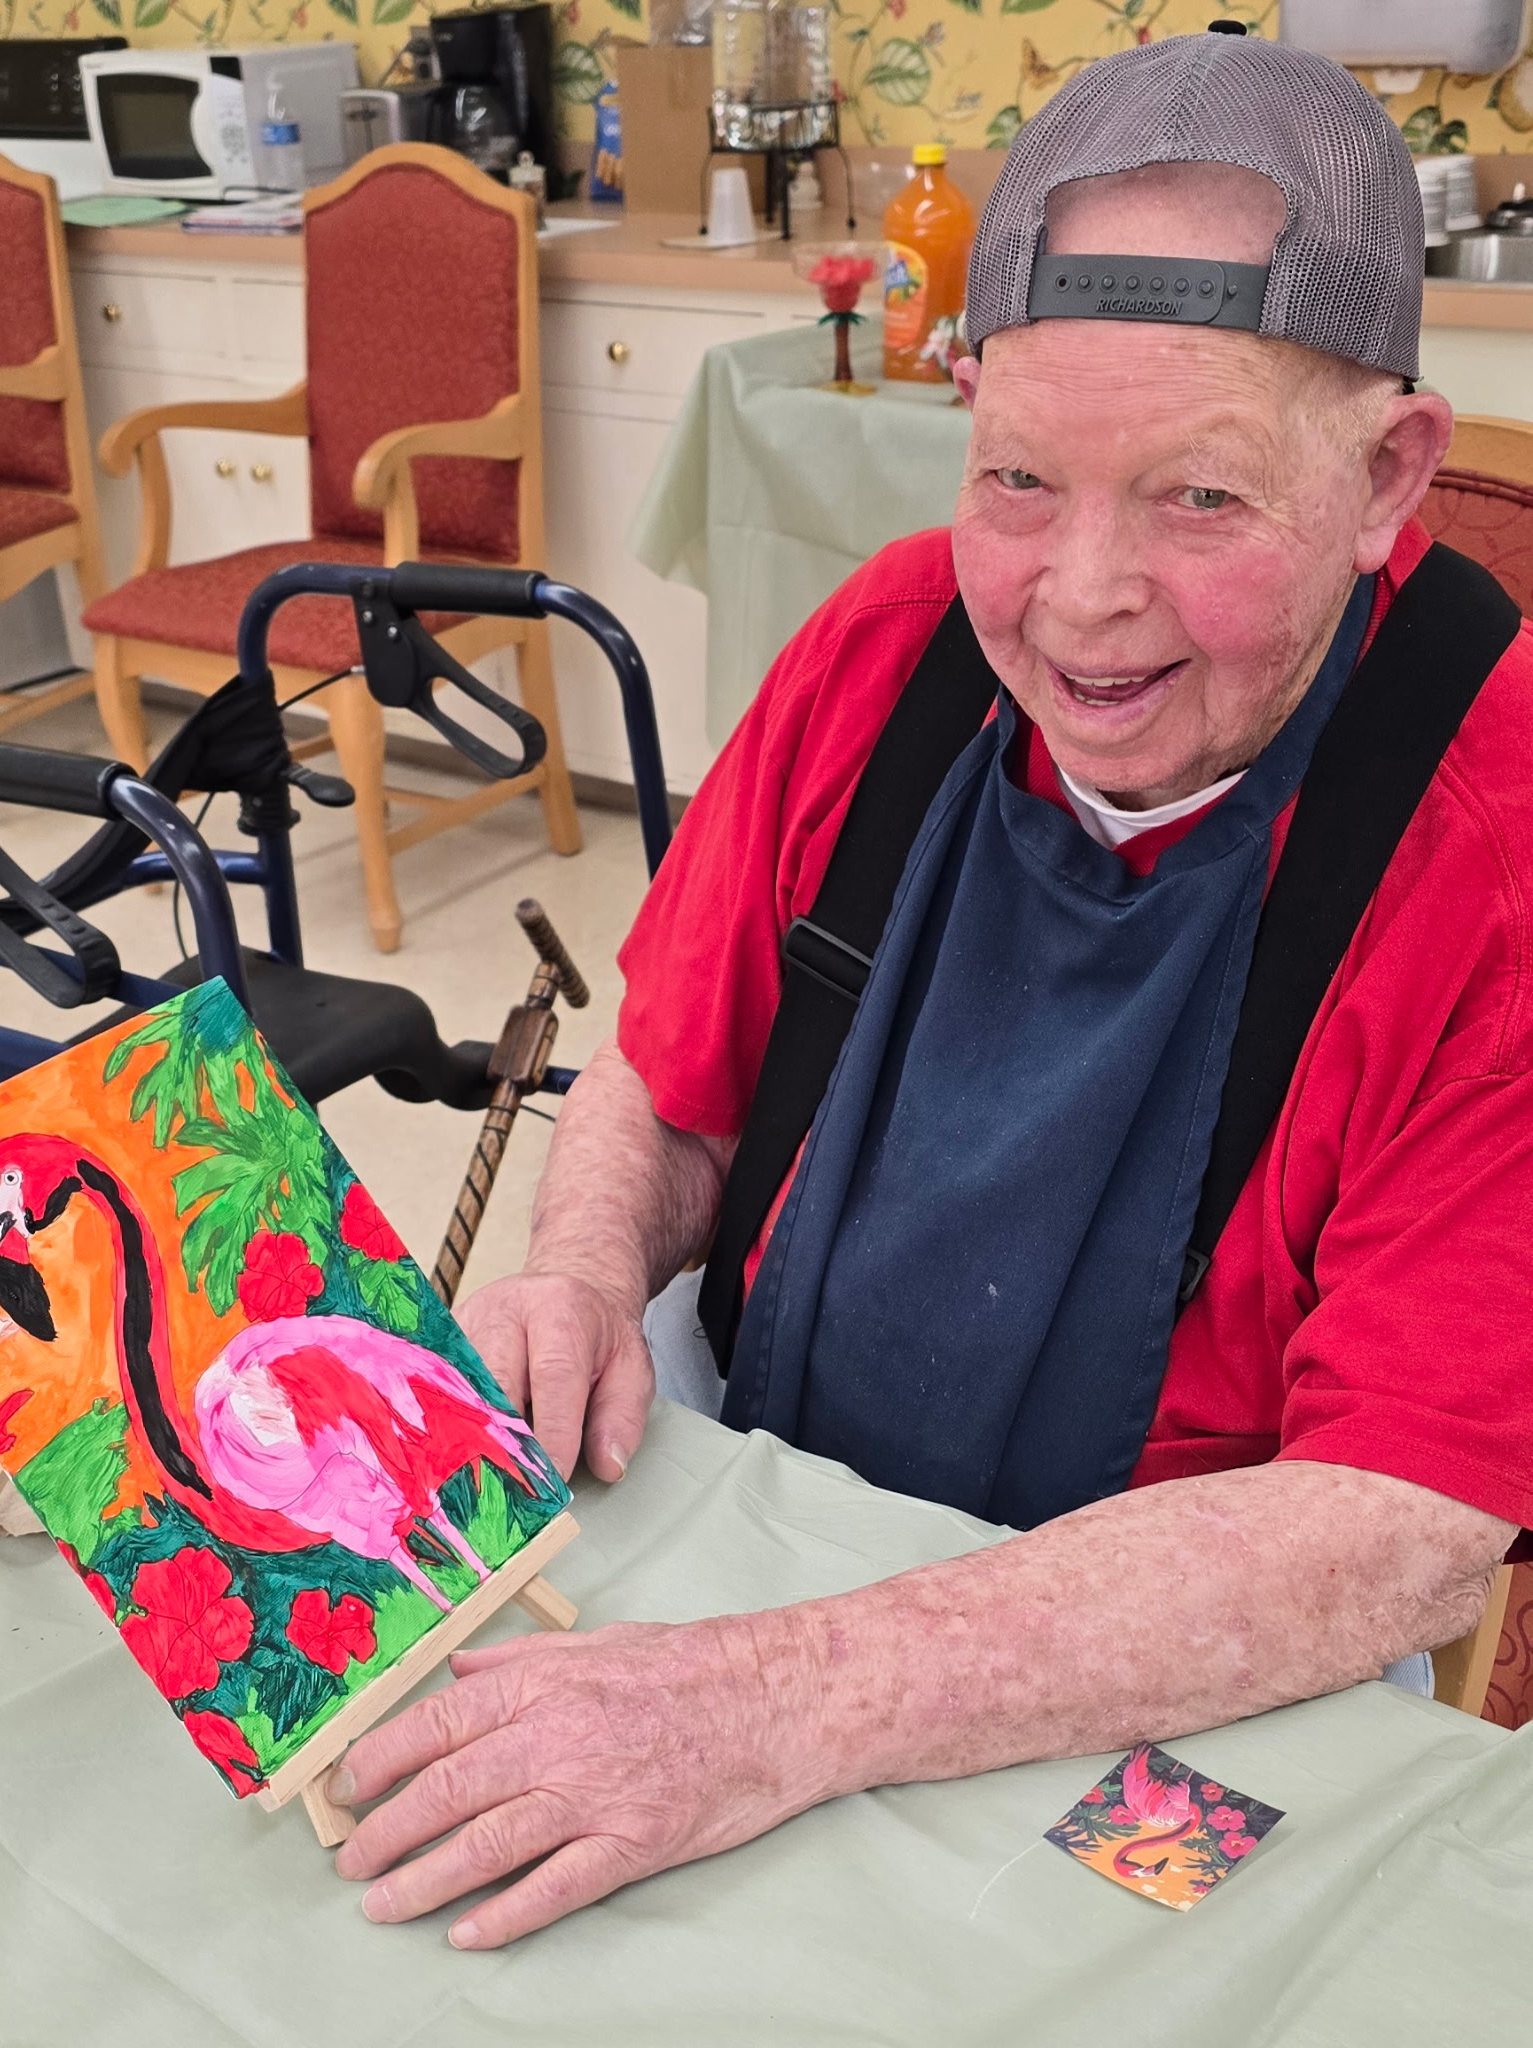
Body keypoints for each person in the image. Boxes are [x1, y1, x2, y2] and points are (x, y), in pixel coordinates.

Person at [329, 28, 1532, 1946]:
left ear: (1389, 473)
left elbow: (1397, 1532)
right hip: (751, 1520)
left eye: (1198, 501)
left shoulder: (1497, 836)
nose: (1077, 598)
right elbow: (672, 1076)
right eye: (1018, 480)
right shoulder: (889, 648)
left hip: (1165, 1653)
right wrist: (571, 1267)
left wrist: (787, 1703)